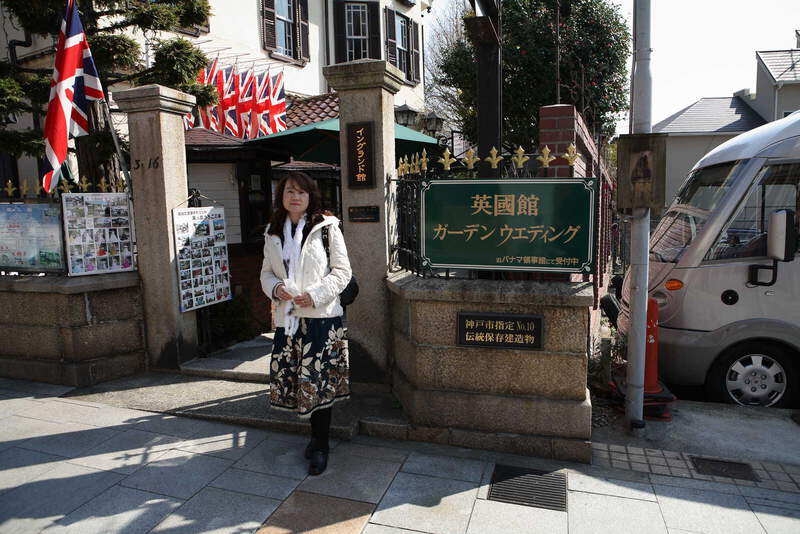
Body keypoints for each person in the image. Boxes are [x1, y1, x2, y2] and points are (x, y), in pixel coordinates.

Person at [260, 172, 352, 476]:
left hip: (321, 319)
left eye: (301, 191)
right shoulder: (273, 231)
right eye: (289, 191)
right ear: (281, 196)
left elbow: (342, 272)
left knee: (319, 382)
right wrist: (276, 288)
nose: (295, 196)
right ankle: (314, 438)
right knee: (298, 382)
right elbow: (266, 273)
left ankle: (321, 445)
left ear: (310, 196)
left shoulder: (327, 227)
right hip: (288, 320)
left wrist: (314, 295)